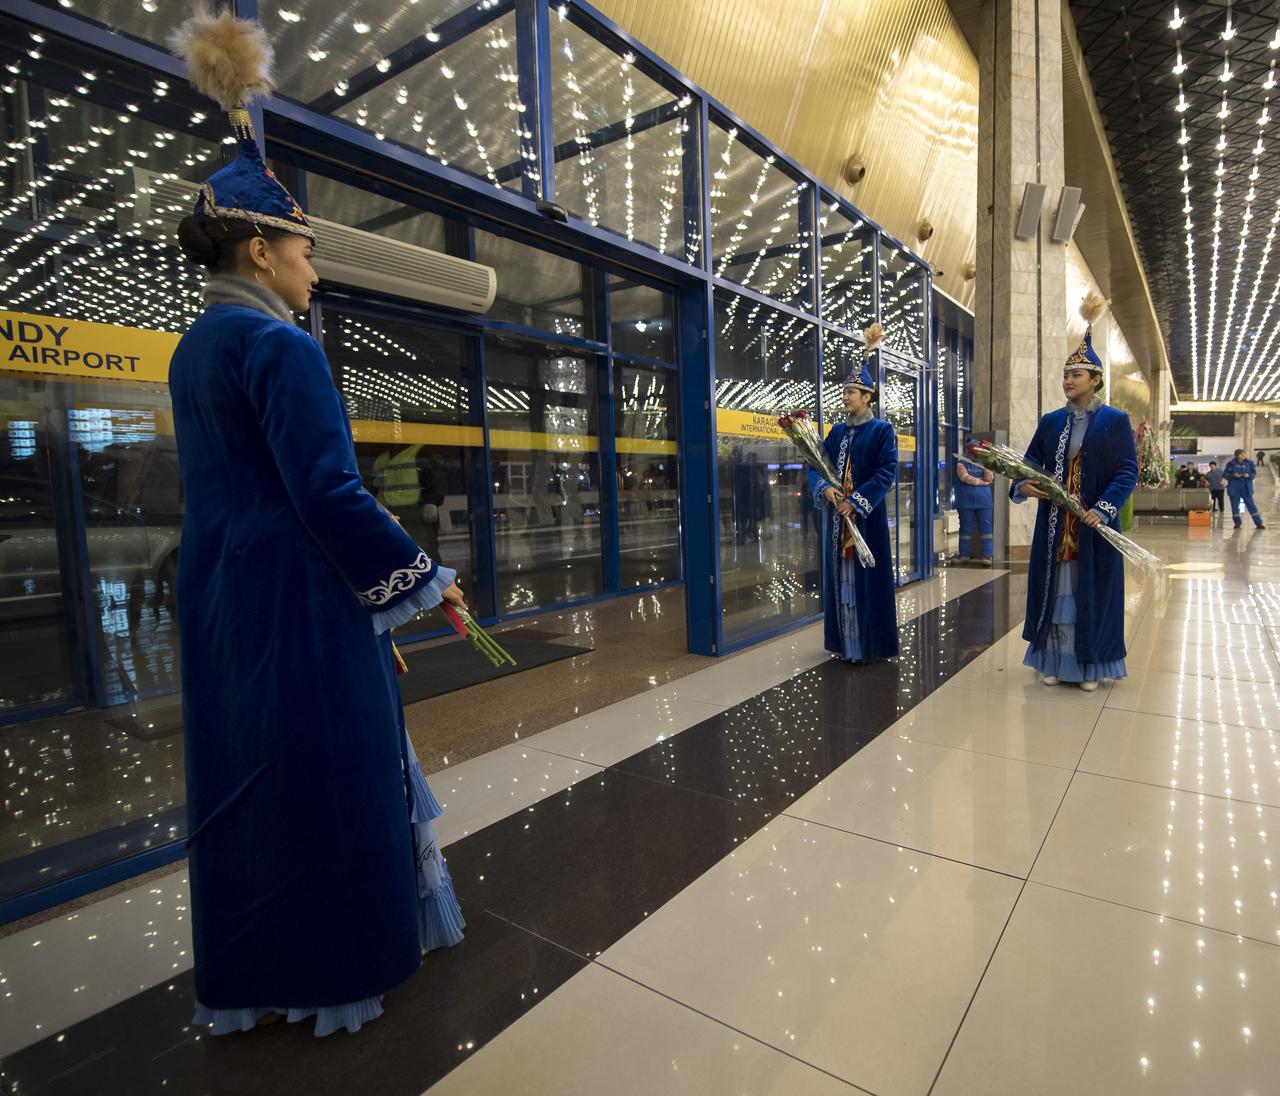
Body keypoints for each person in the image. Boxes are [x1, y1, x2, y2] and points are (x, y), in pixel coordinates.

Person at [169, 9, 465, 1037]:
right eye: (303, 249)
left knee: (250, 788)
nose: (315, 267)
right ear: (260, 248)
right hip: (298, 601)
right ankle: (338, 963)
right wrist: (423, 575)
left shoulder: (195, 345)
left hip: (220, 600)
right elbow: (328, 493)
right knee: (330, 778)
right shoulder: (283, 348)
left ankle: (259, 973)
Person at [1012, 296, 1138, 692]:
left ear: (1095, 379)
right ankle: (1054, 660)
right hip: (1053, 525)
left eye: (1076, 375)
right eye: (1066, 374)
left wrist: (1103, 508)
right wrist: (1022, 485)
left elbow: (1126, 471)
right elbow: (1029, 463)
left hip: (1094, 527)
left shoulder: (1115, 422)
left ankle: (1092, 663)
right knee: (1056, 589)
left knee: (1093, 592)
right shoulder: (1052, 422)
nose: (1068, 381)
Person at [806, 327, 899, 664]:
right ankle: (845, 645)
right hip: (837, 522)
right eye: (844, 392)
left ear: (867, 396)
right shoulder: (835, 432)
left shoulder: (881, 431)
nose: (845, 397)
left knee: (867, 581)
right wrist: (826, 488)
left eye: (851, 392)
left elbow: (887, 472)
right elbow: (816, 465)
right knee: (841, 580)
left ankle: (869, 646)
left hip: (866, 521)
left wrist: (857, 500)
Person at [954, 443, 995, 564]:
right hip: (978, 500)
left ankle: (971, 555)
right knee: (979, 528)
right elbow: (967, 478)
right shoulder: (966, 463)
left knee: (972, 529)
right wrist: (982, 482)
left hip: (970, 500)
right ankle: (982, 556)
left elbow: (987, 478)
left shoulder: (964, 463)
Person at [1225, 448, 1266, 529]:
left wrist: (1249, 475)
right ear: (1237, 455)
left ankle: (1258, 523)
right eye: (1242, 454)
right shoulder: (1230, 464)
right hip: (1234, 488)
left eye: (1244, 454)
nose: (1244, 455)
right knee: (1234, 506)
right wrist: (1233, 475)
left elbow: (1253, 474)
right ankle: (1237, 523)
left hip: (1246, 488)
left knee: (1251, 505)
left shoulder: (1249, 463)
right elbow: (1225, 474)